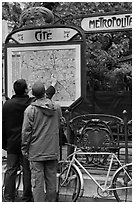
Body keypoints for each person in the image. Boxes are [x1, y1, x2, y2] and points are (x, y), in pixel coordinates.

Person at [2, 78, 56, 202]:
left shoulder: (7, 105)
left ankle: (8, 197)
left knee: (10, 170)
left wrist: (4, 144)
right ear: (26, 90)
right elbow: (45, 96)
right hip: (27, 144)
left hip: (11, 143)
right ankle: (27, 196)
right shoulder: (31, 103)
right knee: (27, 171)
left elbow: (3, 125)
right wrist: (52, 85)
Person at [21, 81, 62, 202]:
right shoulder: (56, 108)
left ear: (33, 94)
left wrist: (25, 149)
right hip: (52, 150)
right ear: (44, 92)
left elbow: (26, 133)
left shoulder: (30, 111)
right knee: (51, 183)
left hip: (36, 152)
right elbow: (59, 125)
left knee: (37, 184)